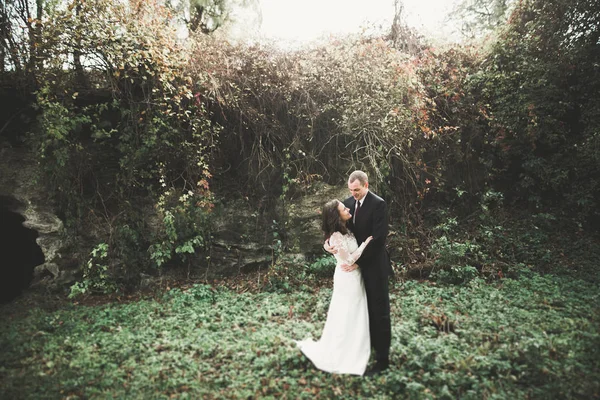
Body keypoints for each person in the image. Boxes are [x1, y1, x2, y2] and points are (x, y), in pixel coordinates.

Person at [296, 199, 373, 375]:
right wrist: (365, 244)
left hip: (355, 276)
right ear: (336, 216)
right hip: (347, 278)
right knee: (346, 313)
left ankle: (357, 347)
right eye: (344, 208)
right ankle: (344, 353)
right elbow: (348, 260)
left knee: (356, 312)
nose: (348, 208)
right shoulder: (337, 236)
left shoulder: (347, 228)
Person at [327, 170, 393, 376]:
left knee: (378, 312)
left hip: (374, 266)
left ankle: (382, 360)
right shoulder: (347, 203)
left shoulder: (378, 204)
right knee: (358, 312)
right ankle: (359, 349)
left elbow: (379, 238)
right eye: (351, 190)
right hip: (353, 272)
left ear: (366, 185)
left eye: (357, 190)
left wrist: (358, 262)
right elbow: (334, 227)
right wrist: (327, 244)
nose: (353, 194)